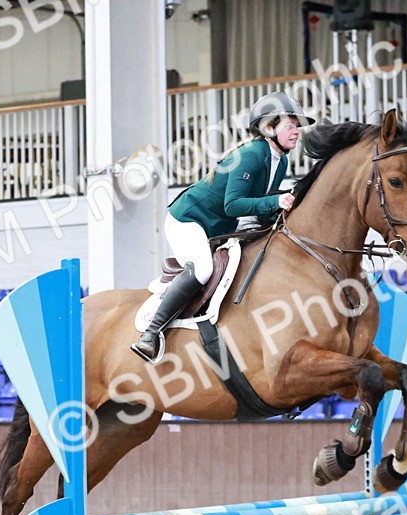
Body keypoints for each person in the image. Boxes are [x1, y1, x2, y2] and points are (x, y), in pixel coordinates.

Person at [130, 91, 316, 362]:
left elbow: (259, 204)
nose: (297, 131)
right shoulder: (252, 154)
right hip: (189, 221)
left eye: (298, 127)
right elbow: (234, 205)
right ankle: (150, 333)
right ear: (269, 128)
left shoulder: (280, 160)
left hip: (220, 226)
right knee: (203, 268)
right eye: (290, 125)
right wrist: (276, 199)